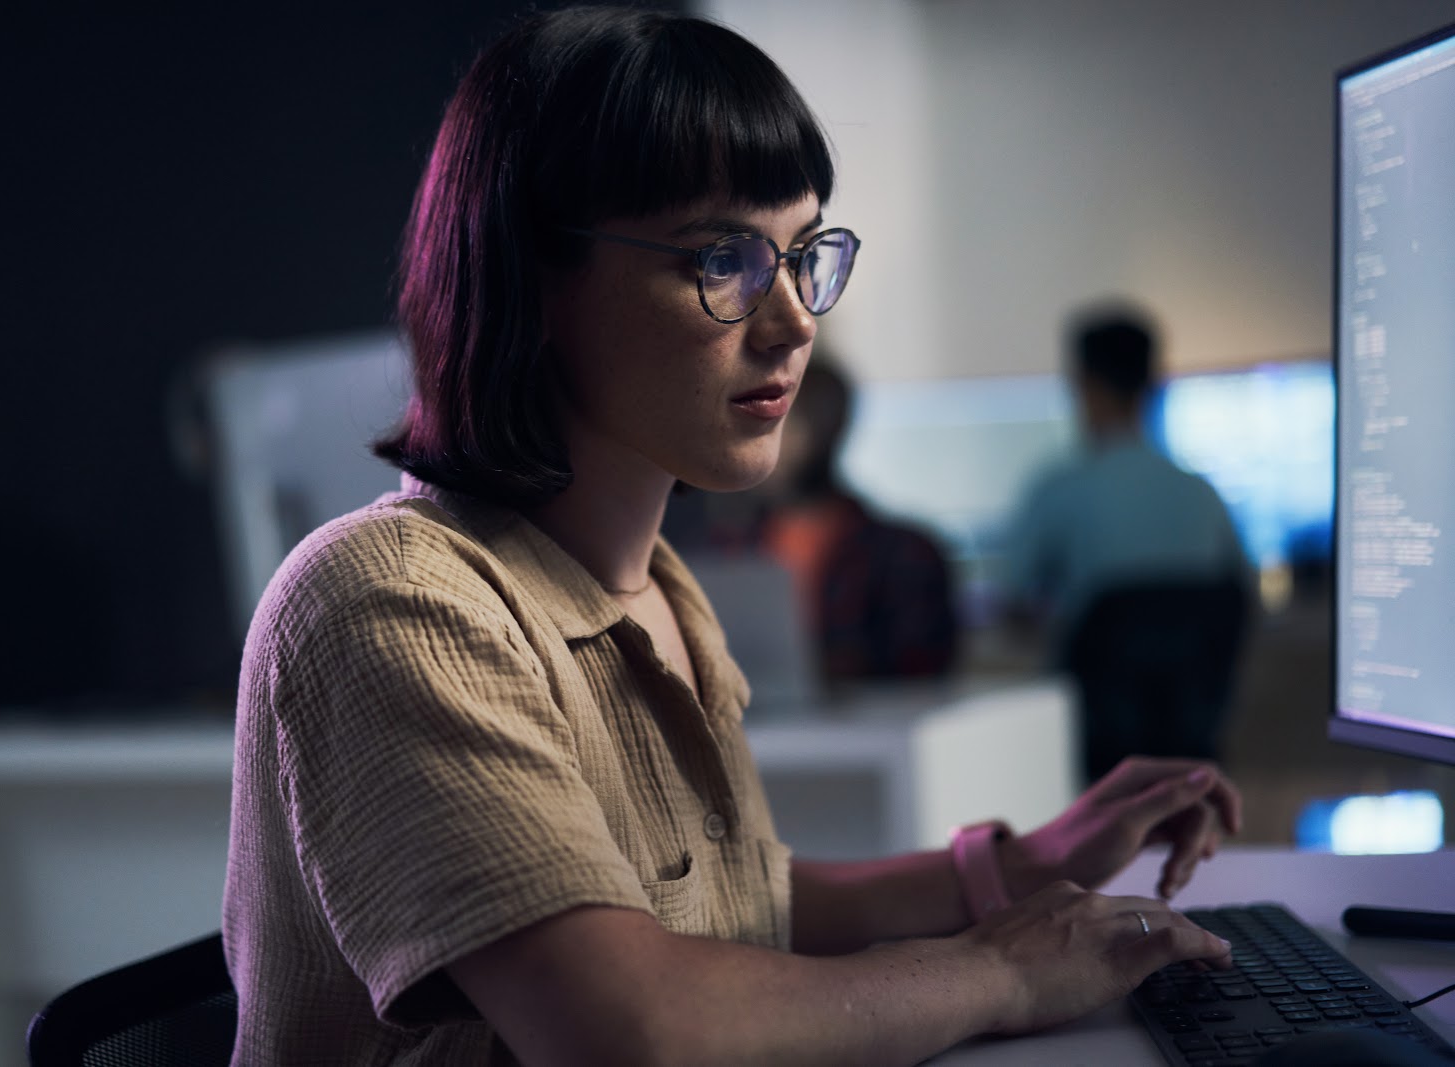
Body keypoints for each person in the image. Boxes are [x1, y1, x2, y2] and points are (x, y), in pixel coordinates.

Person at [223, 10, 1242, 1065]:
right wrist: (1005, 967)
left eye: (804, 255)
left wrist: (1017, 868)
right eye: (724, 257)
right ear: (532, 276)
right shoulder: (388, 598)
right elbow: (631, 1021)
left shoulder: (661, 589)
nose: (796, 317)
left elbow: (731, 907)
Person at [1000, 302, 1252, 780]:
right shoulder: (1202, 492)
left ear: (1082, 384)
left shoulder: (1058, 490)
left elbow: (1014, 608)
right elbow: (1238, 599)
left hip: (1096, 757)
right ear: (1153, 382)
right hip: (1193, 747)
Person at [707, 355, 961, 679]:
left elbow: (921, 670)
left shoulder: (907, 555)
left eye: (774, 423)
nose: (752, 442)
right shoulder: (726, 549)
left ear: (823, 430)